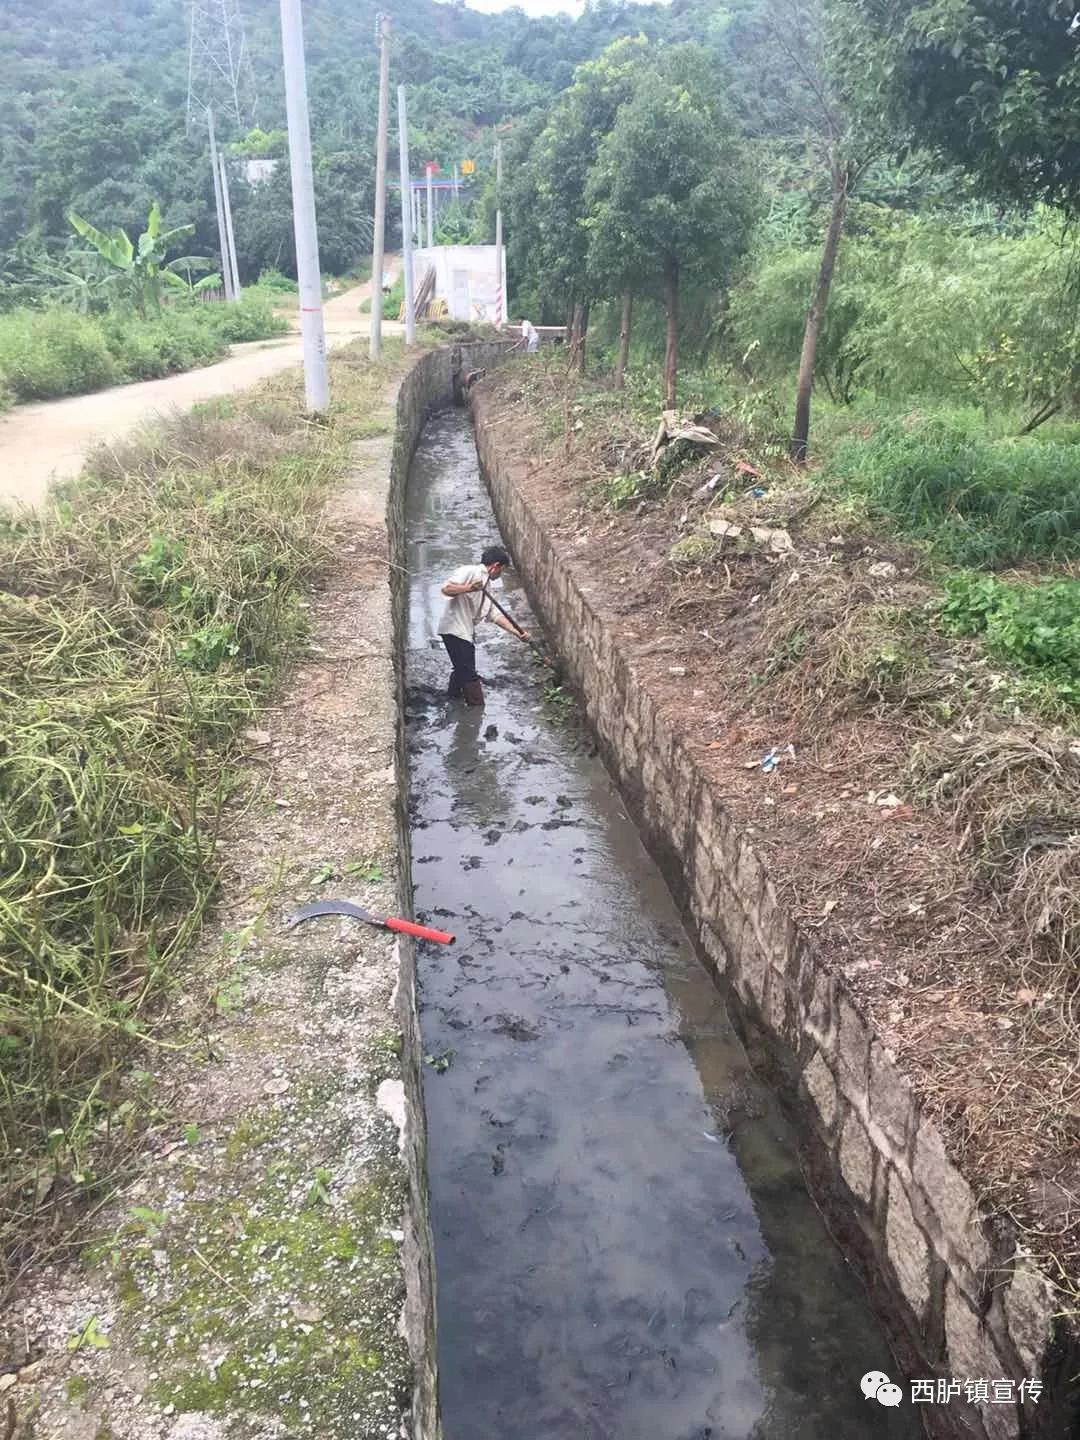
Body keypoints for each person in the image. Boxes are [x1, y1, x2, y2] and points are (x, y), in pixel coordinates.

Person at [438, 546, 530, 706]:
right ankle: (477, 709)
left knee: (462, 668)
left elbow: (495, 615)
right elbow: (446, 589)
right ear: (495, 566)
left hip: (464, 631)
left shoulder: (487, 587)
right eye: (502, 570)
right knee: (469, 674)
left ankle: (452, 700)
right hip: (454, 629)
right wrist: (469, 588)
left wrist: (517, 633)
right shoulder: (469, 571)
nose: (500, 574)